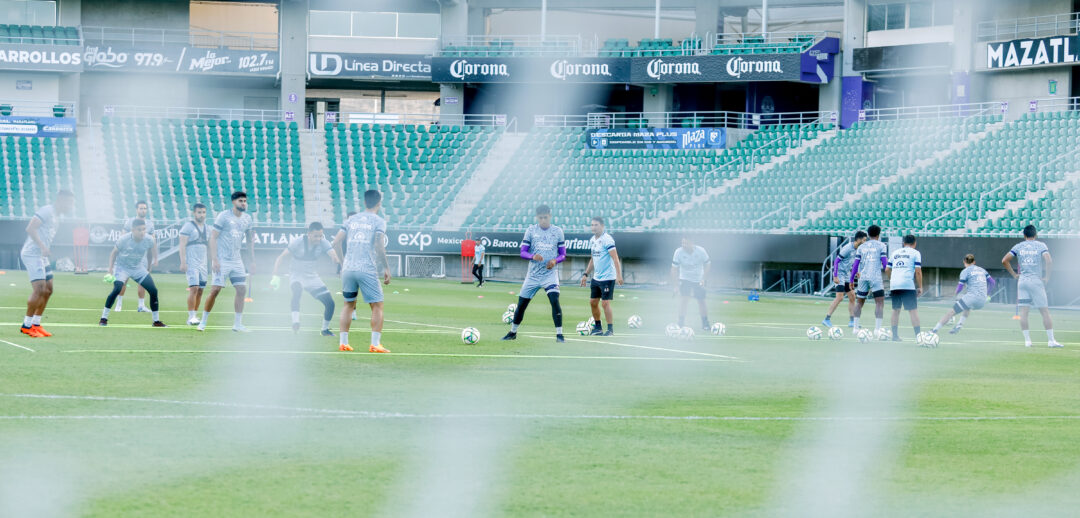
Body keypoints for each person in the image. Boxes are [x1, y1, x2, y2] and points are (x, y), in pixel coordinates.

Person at [333, 190, 391, 352]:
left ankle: (343, 343)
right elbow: (379, 245)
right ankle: (375, 344)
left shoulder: (351, 219)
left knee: (348, 305)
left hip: (348, 268)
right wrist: (386, 267)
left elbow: (336, 242)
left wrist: (343, 262)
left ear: (364, 203)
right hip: (366, 268)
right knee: (377, 306)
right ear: (379, 204)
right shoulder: (379, 221)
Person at [502, 204, 567, 342]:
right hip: (532, 276)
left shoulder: (558, 231)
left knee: (555, 301)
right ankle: (512, 332)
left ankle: (559, 335)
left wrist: (555, 261)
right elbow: (523, 252)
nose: (543, 220)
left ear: (550, 216)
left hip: (550, 275)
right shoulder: (531, 231)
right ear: (537, 217)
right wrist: (533, 256)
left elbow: (563, 255)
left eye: (546, 217)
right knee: (521, 305)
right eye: (541, 218)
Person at [19, 190, 75, 337]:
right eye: (69, 203)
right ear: (61, 200)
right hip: (32, 254)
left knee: (49, 289)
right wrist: (42, 246)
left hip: (41, 255)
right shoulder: (47, 211)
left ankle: (36, 324)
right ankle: (26, 325)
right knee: (39, 289)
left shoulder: (57, 216)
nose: (71, 207)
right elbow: (30, 228)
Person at [199, 192, 254, 332]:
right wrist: (214, 259)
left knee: (242, 289)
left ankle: (237, 324)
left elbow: (249, 240)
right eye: (240, 201)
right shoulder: (223, 216)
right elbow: (213, 237)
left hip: (237, 260)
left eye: (245, 201)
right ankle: (203, 322)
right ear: (233, 202)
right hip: (222, 260)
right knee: (215, 290)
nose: (243, 203)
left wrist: (252, 260)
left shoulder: (248, 218)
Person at [272, 222, 340, 336]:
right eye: (316, 236)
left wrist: (335, 259)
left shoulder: (323, 242)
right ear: (309, 234)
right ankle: (295, 322)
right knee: (297, 291)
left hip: (312, 276)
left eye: (320, 236)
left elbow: (332, 253)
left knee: (330, 303)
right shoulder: (298, 242)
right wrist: (275, 275)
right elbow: (281, 257)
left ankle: (325, 330)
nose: (318, 238)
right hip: (296, 274)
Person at [1002, 225, 1061, 348]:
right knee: (1044, 311)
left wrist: (1014, 274)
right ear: (1036, 235)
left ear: (1024, 235)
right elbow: (1049, 261)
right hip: (1035, 280)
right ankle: (1051, 341)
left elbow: (1004, 260)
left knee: (1024, 312)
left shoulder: (1018, 246)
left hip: (1022, 281)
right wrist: (1047, 277)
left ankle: (1027, 341)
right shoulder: (1041, 245)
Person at [99, 219, 166, 327]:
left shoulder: (149, 239)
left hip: (138, 268)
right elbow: (113, 253)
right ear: (133, 230)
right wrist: (110, 269)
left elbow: (149, 253)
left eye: (144, 229)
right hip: (122, 267)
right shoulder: (123, 239)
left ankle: (156, 321)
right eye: (139, 230)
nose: (142, 232)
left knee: (153, 291)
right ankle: (103, 318)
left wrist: (148, 267)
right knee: (117, 289)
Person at [932, 254, 996, 335]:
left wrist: (955, 294)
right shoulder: (982, 270)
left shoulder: (965, 271)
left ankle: (934, 330)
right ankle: (959, 325)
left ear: (964, 262)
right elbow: (993, 282)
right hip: (982, 301)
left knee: (951, 312)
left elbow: (960, 286)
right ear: (974, 262)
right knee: (967, 306)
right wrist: (988, 294)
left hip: (972, 297)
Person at [580, 216, 622, 336]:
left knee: (605, 303)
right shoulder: (592, 240)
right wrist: (585, 274)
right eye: (592, 225)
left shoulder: (607, 240)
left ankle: (610, 329)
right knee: (593, 302)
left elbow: (615, 258)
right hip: (596, 277)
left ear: (602, 226)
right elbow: (593, 259)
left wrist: (619, 275)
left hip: (608, 277)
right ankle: (598, 328)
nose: (593, 227)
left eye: (596, 225)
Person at [823, 231, 867, 328]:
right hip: (839, 274)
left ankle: (852, 322)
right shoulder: (848, 248)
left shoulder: (858, 250)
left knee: (852, 296)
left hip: (847, 274)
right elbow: (837, 261)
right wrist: (835, 276)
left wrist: (856, 272)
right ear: (858, 239)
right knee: (840, 297)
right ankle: (826, 319)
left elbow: (852, 263)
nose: (865, 242)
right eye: (864, 240)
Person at [117, 200, 156, 312]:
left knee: (142, 280)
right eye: (141, 208)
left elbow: (153, 241)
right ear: (137, 209)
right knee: (124, 280)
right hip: (128, 256)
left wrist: (152, 257)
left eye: (145, 208)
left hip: (142, 257)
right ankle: (119, 304)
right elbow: (122, 237)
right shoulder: (130, 222)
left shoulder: (150, 224)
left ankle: (141, 305)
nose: (143, 210)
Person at [850, 224, 888, 335]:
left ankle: (855, 328)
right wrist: (890, 274)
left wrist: (852, 280)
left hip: (863, 277)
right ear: (878, 234)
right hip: (875, 277)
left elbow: (855, 264)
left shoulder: (862, 247)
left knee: (859, 302)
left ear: (868, 234)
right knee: (879, 303)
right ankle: (877, 330)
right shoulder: (882, 246)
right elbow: (884, 263)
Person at [884, 234, 922, 341]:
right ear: (915, 243)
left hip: (894, 285)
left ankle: (895, 336)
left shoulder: (895, 253)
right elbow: (918, 272)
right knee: (913, 311)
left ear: (903, 243)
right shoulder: (916, 253)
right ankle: (918, 337)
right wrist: (920, 287)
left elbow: (887, 269)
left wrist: (892, 279)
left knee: (896, 310)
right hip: (907, 285)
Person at [178, 203, 209, 326]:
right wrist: (183, 262)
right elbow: (181, 245)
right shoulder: (188, 227)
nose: (201, 215)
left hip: (203, 264)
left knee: (201, 290)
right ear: (194, 213)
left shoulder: (208, 228)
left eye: (203, 212)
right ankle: (190, 317)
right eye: (199, 212)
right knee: (194, 288)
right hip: (191, 262)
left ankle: (195, 315)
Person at [671, 237, 710, 330]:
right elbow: (674, 269)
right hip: (685, 279)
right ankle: (680, 323)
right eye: (682, 243)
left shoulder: (701, 251)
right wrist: (675, 286)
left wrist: (704, 279)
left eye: (686, 243)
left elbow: (708, 264)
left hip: (698, 280)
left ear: (692, 243)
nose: (683, 245)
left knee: (701, 301)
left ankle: (705, 323)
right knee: (684, 300)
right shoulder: (678, 252)